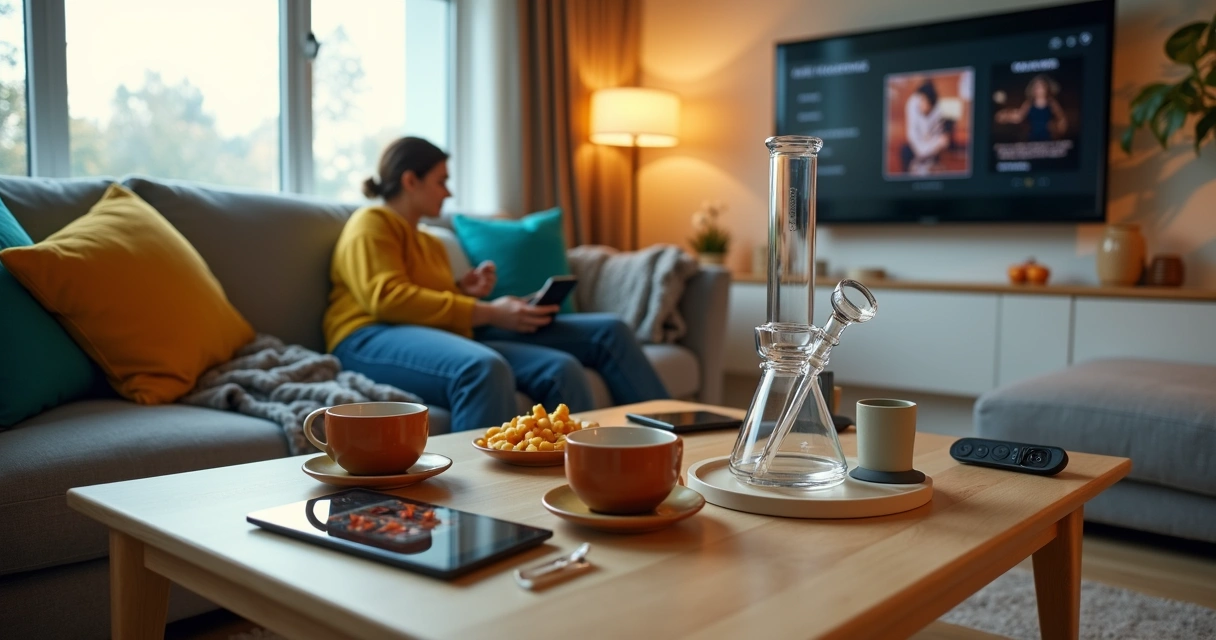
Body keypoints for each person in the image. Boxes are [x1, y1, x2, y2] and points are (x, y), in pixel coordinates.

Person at [323, 136, 669, 433]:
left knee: (561, 368)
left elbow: (427, 303)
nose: (448, 192)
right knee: (482, 369)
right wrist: (486, 311)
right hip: (366, 336)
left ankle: (589, 468)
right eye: (441, 181)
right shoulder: (372, 222)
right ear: (410, 180)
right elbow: (387, 298)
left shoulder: (428, 240)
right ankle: (479, 491)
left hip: (432, 332)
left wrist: (464, 290)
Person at [899, 79, 951, 175]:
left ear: (931, 104)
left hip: (931, 149)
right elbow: (914, 140)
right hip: (916, 148)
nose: (920, 103)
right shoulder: (912, 104)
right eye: (920, 99)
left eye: (924, 100)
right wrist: (930, 146)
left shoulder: (938, 109)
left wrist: (937, 143)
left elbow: (941, 137)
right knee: (905, 152)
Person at [996, 74, 1067, 141]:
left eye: (1041, 87)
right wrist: (1006, 115)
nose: (1039, 90)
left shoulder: (1052, 103)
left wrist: (1057, 129)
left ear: (1046, 88)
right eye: (1036, 87)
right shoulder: (1029, 103)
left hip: (1048, 138)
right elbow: (1019, 116)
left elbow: (1061, 119)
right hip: (1033, 138)